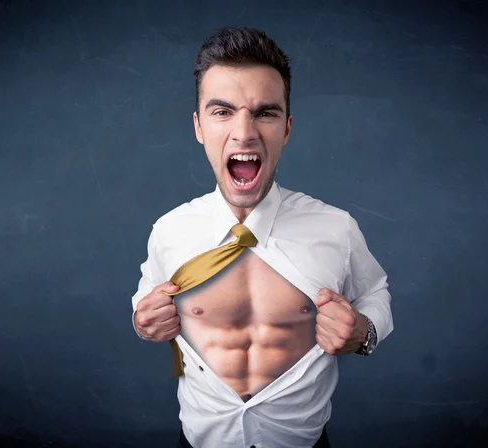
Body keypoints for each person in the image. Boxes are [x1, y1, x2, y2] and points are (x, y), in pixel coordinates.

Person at [131, 26, 393, 448]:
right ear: (199, 126)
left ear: (286, 129)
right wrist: (142, 321)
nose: (244, 132)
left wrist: (364, 333)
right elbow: (147, 295)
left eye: (264, 113)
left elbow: (375, 291)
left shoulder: (335, 227)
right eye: (222, 112)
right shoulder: (170, 230)